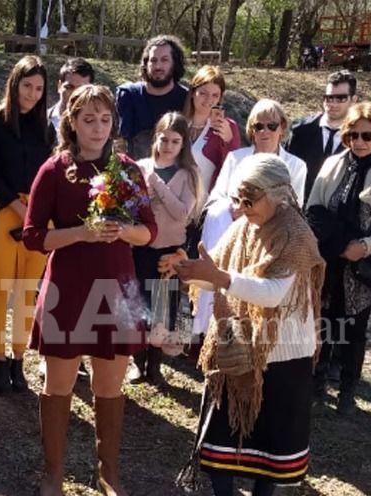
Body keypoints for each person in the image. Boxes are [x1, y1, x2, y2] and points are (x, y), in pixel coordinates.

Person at [160, 154, 324, 496]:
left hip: (284, 354)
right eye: (237, 199)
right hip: (235, 343)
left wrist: (216, 276)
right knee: (220, 431)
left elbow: (271, 293)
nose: (240, 208)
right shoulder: (241, 229)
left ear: (279, 196)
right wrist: (190, 271)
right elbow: (216, 276)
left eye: (249, 200)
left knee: (274, 439)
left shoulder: (296, 236)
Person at [24, 84, 157, 496]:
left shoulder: (129, 170)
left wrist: (123, 230)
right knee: (58, 383)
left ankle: (109, 474)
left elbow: (148, 231)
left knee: (109, 384)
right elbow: (33, 237)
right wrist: (80, 233)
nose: (97, 128)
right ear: (72, 123)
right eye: (88, 120)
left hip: (117, 289)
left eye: (104, 119)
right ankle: (53, 473)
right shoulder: (54, 170)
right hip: (67, 288)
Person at [306, 103, 371, 414]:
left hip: (365, 263)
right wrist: (339, 244)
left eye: (367, 135)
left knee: (354, 330)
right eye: (352, 135)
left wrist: (365, 245)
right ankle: (317, 383)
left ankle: (348, 393)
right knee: (324, 323)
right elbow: (314, 209)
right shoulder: (333, 164)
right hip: (331, 257)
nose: (359, 141)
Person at [195, 99, 306, 345]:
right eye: (258, 126)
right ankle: (209, 327)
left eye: (271, 125)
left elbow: (293, 206)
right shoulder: (236, 158)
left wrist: (252, 212)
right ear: (250, 130)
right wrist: (233, 208)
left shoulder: (297, 166)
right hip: (232, 234)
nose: (264, 131)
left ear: (282, 128)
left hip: (272, 239)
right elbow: (217, 197)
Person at [0, 55, 54, 394]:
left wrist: (35, 213)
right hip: (3, 210)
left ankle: (19, 359)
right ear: (14, 84)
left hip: (37, 215)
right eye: (27, 86)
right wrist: (16, 206)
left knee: (27, 291)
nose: (32, 94)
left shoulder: (46, 127)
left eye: (39, 88)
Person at [128, 111, 201, 385]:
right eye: (163, 139)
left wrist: (156, 183)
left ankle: (155, 366)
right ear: (155, 139)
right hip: (141, 246)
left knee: (162, 310)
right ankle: (137, 363)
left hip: (168, 251)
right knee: (138, 305)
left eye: (175, 141)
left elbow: (182, 212)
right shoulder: (140, 166)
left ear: (183, 145)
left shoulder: (188, 175)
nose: (168, 146)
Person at [288, 70, 358, 204]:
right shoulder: (300, 130)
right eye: (329, 97)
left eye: (341, 98)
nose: (333, 103)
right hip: (298, 209)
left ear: (353, 100)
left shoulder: (361, 137)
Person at [115, 35, 188, 160]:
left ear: (174, 63)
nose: (158, 66)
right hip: (134, 173)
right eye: (153, 60)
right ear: (146, 63)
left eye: (164, 60)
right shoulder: (129, 96)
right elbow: (119, 144)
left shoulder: (187, 99)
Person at [184, 65, 240, 193]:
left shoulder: (228, 127)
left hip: (207, 204)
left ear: (220, 98)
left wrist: (228, 142)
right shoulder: (179, 123)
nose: (209, 100)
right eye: (203, 93)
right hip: (174, 201)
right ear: (193, 92)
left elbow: (233, 168)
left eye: (215, 95)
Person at [47, 57, 95, 132]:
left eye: (81, 89)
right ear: (59, 86)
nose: (74, 94)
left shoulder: (97, 128)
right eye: (69, 87)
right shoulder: (40, 121)